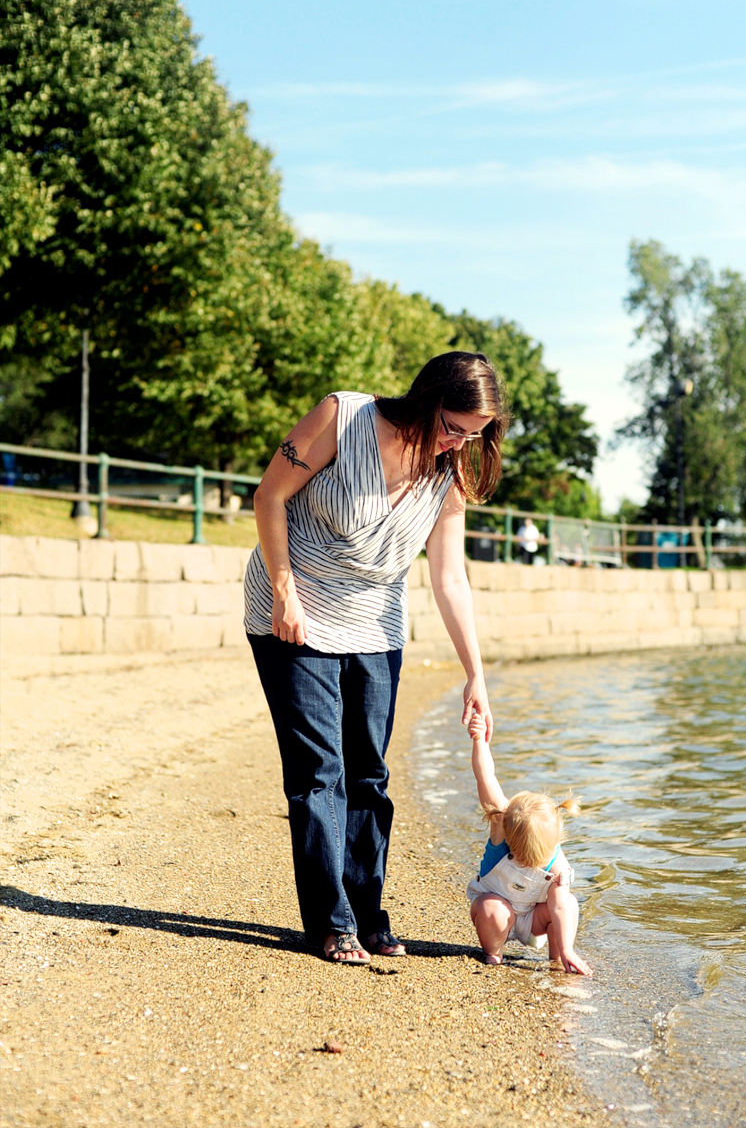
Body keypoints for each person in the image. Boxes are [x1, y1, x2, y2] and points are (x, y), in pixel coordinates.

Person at [244, 352, 506, 965]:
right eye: (451, 426)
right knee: (319, 771)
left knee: (368, 773)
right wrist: (284, 592)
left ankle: (367, 913)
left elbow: (449, 578)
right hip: (296, 605)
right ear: (426, 398)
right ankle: (331, 923)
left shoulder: (450, 474)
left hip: (375, 622)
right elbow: (268, 496)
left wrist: (476, 675)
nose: (455, 443)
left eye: (472, 434)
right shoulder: (344, 416)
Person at [465, 713, 592, 975]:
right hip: (499, 914)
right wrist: (480, 741)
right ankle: (494, 952)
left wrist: (568, 948)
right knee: (491, 908)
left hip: (533, 919)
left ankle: (560, 956)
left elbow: (557, 907)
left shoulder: (557, 864)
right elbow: (485, 778)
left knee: (568, 904)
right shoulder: (501, 830)